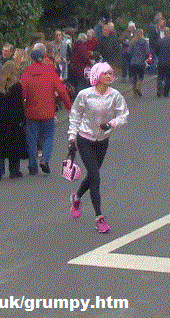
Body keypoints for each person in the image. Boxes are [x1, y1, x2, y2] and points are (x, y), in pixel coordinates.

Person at [67, 62, 129, 234]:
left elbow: (124, 114)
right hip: (85, 139)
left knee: (92, 175)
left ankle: (76, 197)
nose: (109, 76)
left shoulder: (115, 95)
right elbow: (74, 116)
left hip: (102, 141)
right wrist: (72, 139)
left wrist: (111, 124)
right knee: (95, 177)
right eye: (105, 74)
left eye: (110, 73)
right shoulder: (85, 95)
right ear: (97, 76)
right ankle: (99, 217)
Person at [22, 47, 73, 175]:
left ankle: (32, 165)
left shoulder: (27, 72)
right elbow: (61, 91)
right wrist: (69, 106)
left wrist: (22, 107)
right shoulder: (50, 72)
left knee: (32, 138)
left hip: (31, 111)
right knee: (48, 136)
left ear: (31, 59)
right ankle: (45, 159)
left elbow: (22, 92)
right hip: (48, 111)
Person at [0, 57, 28, 180]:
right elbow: (19, 105)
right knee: (14, 146)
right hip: (13, 121)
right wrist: (22, 119)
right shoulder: (17, 86)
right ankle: (14, 171)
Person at [126, 29, 150, 97]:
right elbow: (147, 52)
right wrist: (144, 58)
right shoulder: (144, 42)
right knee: (141, 76)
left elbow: (129, 52)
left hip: (133, 62)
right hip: (141, 62)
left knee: (134, 77)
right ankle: (138, 88)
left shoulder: (132, 41)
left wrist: (132, 57)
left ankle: (135, 92)